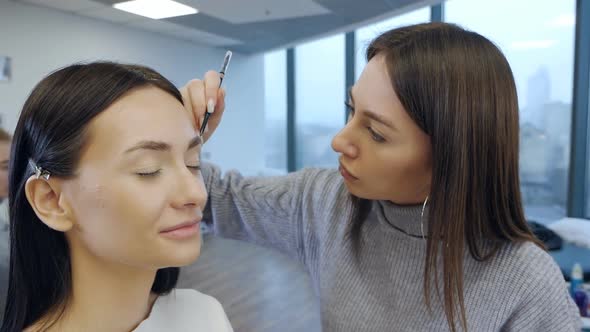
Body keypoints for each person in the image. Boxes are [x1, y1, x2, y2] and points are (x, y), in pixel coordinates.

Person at [182, 22, 581, 331]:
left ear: (453, 155)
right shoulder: (327, 202)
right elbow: (214, 197)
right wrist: (183, 138)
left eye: (375, 132)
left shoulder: (526, 284)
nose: (340, 140)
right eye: (350, 109)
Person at [1, 62, 232, 332]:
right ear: (51, 201)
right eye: (148, 170)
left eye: (193, 163)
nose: (196, 193)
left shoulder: (204, 315)